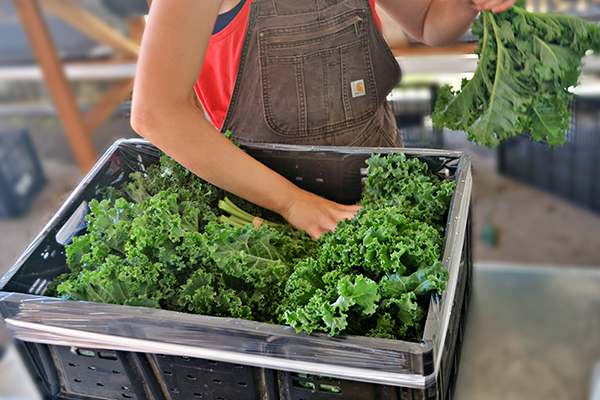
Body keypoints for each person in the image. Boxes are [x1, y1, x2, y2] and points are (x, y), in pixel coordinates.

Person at [130, 0, 516, 239]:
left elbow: (431, 21)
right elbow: (157, 112)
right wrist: (292, 203)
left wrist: (469, 2)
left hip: (377, 184)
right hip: (263, 210)